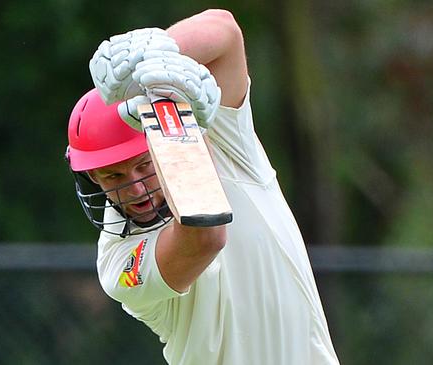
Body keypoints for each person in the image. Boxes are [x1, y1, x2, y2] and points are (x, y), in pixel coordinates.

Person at [65, 9, 340, 365]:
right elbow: (205, 236)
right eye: (114, 177)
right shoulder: (119, 260)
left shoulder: (228, 146)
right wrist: (175, 124)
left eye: (144, 165)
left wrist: (154, 56)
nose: (135, 190)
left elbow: (225, 33)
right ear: (94, 178)